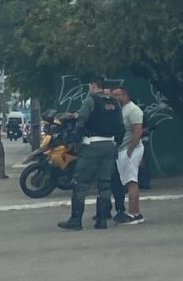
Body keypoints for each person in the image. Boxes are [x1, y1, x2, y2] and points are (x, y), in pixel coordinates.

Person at [58, 76, 124, 231]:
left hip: (92, 145)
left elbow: (81, 122)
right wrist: (115, 144)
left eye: (90, 87)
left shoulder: (91, 101)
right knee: (105, 184)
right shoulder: (115, 103)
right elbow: (121, 126)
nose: (89, 90)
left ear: (94, 85)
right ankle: (102, 221)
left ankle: (76, 220)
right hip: (110, 144)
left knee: (80, 183)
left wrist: (75, 140)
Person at [111, 86, 145, 224]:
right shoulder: (120, 110)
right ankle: (137, 213)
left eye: (118, 95)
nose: (116, 98)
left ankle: (132, 213)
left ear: (126, 95)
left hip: (130, 149)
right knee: (128, 181)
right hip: (123, 149)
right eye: (114, 95)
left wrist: (131, 149)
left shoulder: (133, 110)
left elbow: (138, 131)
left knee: (131, 182)